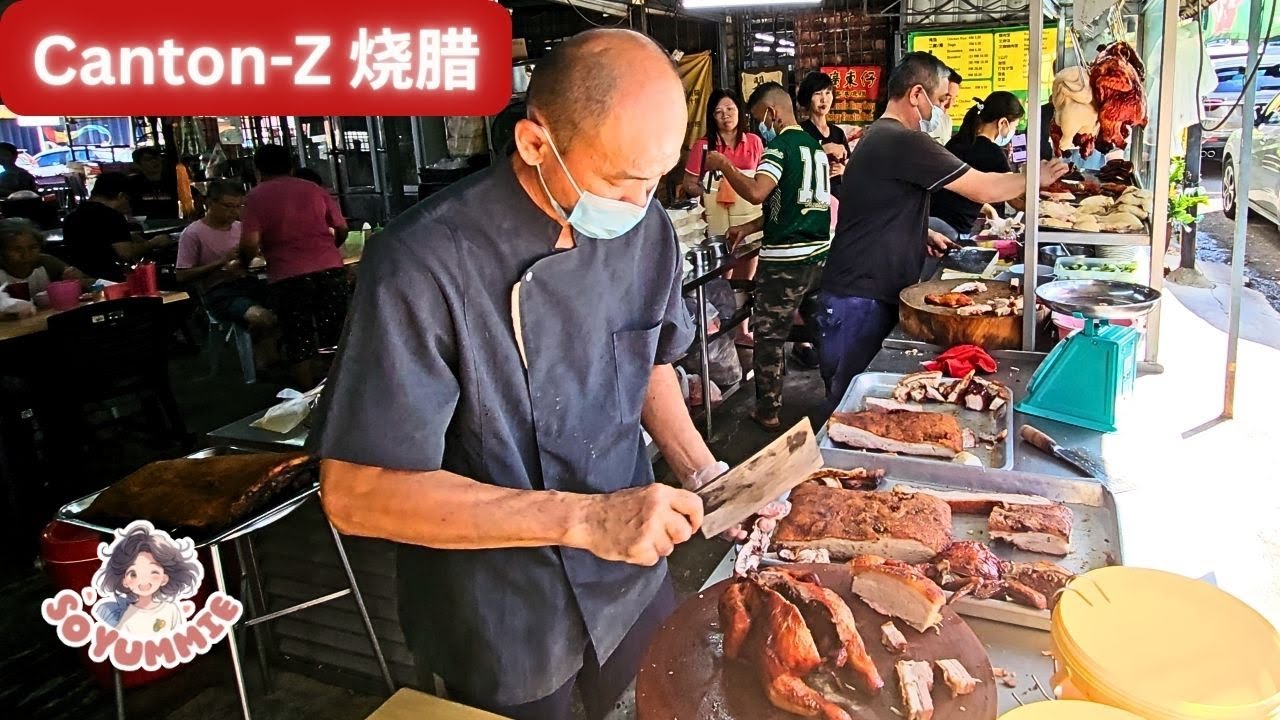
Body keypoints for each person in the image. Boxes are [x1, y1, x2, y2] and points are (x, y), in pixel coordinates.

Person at [309, 29, 731, 720]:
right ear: (536, 144)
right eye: (622, 180)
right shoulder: (421, 262)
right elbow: (355, 494)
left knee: (667, 698)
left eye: (656, 177)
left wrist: (704, 473)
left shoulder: (646, 226)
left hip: (629, 568)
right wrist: (585, 519)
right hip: (495, 597)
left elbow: (648, 359)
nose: (642, 201)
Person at [820, 52, 1068, 408]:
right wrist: (1035, 177)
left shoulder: (879, 136)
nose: (942, 112)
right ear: (916, 94)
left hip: (860, 290)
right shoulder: (903, 140)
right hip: (859, 298)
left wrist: (920, 233)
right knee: (851, 409)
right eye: (939, 101)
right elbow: (983, 188)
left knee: (861, 402)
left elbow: (875, 207)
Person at [705, 81, 831, 430]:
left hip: (786, 262)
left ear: (772, 113)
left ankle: (768, 409)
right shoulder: (813, 147)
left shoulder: (778, 148)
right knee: (822, 330)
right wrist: (747, 229)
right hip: (818, 257)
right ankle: (838, 390)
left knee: (770, 337)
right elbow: (791, 205)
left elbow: (759, 192)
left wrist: (724, 165)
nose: (760, 123)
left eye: (760, 116)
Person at [239, 144, 349, 389]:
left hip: (288, 277)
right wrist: (331, 249)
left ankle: (306, 395)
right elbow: (341, 228)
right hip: (330, 269)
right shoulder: (314, 189)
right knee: (335, 333)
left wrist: (244, 264)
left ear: (258, 170)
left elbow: (249, 243)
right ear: (291, 166)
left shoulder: (255, 196)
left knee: (297, 337)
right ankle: (342, 390)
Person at [681, 88, 764, 344]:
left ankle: (742, 331)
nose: (725, 116)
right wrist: (709, 189)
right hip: (718, 220)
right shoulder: (703, 146)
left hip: (749, 219)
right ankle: (719, 328)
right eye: (718, 112)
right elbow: (689, 183)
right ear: (711, 117)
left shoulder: (754, 142)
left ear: (739, 111)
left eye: (730, 109)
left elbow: (762, 182)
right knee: (721, 275)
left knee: (746, 273)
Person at [176, 181, 274, 328]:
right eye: (228, 206)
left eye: (238, 206)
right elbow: (181, 275)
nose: (234, 212)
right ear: (209, 202)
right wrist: (221, 261)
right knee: (260, 317)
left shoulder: (240, 227)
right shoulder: (193, 233)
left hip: (250, 282)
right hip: (219, 292)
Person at [932, 92, 1026, 237]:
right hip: (951, 229)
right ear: (1002, 123)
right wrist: (1042, 209)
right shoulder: (992, 152)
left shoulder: (958, 141)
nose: (1014, 130)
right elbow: (1014, 198)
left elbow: (961, 191)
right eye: (1015, 125)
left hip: (933, 221)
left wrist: (990, 210)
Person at [62, 172, 174, 282]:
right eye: (128, 200)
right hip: (110, 280)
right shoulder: (111, 215)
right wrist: (153, 243)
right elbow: (126, 253)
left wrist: (127, 237)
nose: (129, 207)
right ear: (121, 196)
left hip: (83, 280)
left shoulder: (71, 216)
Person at [0, 218, 92, 294]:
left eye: (33, 247)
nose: (26, 255)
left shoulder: (47, 263)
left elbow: (95, 285)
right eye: (17, 250)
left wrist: (78, 280)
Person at [798, 71, 852, 195]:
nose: (824, 99)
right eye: (818, 94)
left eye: (828, 93)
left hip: (837, 198)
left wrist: (843, 170)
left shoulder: (838, 133)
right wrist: (823, 150)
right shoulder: (800, 132)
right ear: (808, 97)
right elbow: (795, 166)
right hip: (811, 199)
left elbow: (851, 166)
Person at [126, 146, 180, 219]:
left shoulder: (175, 180)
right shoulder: (132, 184)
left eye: (156, 158)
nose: (154, 161)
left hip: (175, 223)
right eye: (148, 159)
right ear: (137, 165)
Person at [928, 69, 963, 144]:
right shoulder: (913, 121)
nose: (949, 105)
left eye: (953, 99)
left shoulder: (946, 121)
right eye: (946, 97)